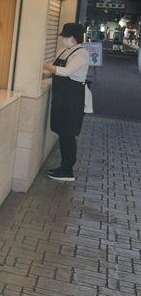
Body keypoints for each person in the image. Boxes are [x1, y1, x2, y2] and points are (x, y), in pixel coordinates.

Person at [42, 23, 89, 182]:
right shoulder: (63, 51)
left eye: (66, 37)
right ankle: (63, 167)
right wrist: (44, 74)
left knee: (68, 134)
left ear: (74, 38)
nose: (64, 40)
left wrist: (42, 64)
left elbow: (66, 71)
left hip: (73, 99)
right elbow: (53, 69)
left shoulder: (82, 54)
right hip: (61, 98)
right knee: (62, 132)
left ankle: (67, 170)